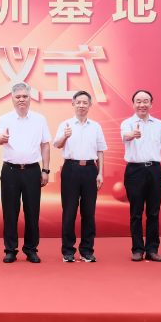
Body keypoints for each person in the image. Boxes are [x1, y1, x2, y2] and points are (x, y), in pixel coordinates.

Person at [0, 83, 51, 264]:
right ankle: (10, 250)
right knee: (10, 212)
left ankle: (31, 249)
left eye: (25, 96)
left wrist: (45, 170)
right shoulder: (4, 119)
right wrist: (1, 138)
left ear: (30, 98)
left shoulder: (40, 119)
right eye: (18, 96)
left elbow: (45, 145)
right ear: (12, 98)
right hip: (10, 171)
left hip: (32, 171)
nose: (21, 99)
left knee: (32, 212)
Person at [53, 91, 106, 263]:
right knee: (69, 212)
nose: (81, 105)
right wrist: (65, 136)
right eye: (78, 102)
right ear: (73, 104)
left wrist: (100, 172)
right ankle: (68, 251)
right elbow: (57, 145)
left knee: (89, 212)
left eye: (85, 102)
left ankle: (86, 250)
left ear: (90, 105)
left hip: (90, 169)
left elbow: (100, 151)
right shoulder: (65, 124)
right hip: (71, 169)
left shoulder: (96, 127)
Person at [120, 90, 161, 262]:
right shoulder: (127, 123)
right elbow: (125, 136)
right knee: (136, 212)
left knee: (153, 213)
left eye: (145, 101)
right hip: (134, 171)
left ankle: (152, 249)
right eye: (138, 101)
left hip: (155, 170)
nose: (142, 104)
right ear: (133, 104)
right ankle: (137, 249)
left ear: (151, 104)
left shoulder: (159, 124)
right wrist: (133, 134)